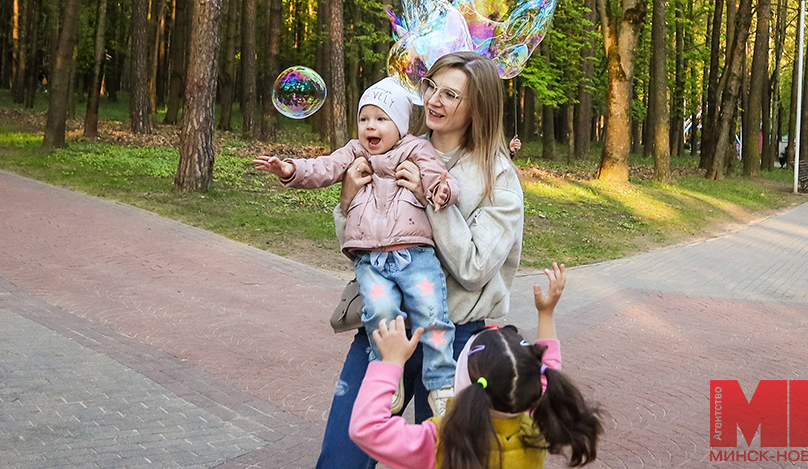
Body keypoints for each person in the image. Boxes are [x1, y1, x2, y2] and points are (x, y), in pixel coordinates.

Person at [316, 51, 525, 468]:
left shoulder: (497, 176)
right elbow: (360, 245)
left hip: (454, 341)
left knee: (446, 462)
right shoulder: (392, 148)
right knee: (340, 460)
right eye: (431, 86)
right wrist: (346, 201)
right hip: (385, 332)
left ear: (477, 107)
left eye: (451, 94)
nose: (433, 100)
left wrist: (435, 203)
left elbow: (474, 268)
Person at [255, 77, 461, 415]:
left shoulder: (416, 149)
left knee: (432, 312)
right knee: (379, 315)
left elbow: (440, 177)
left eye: (381, 119)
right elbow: (322, 167)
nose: (370, 126)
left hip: (415, 255)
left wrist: (441, 191)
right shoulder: (353, 152)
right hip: (371, 260)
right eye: (364, 118)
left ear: (399, 125)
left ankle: (440, 383)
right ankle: (388, 375)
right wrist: (289, 168)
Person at [349, 262, 604, 469]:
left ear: (467, 380)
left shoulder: (441, 440)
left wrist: (390, 363)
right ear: (532, 387)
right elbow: (549, 369)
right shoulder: (535, 428)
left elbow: (367, 429)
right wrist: (546, 314)